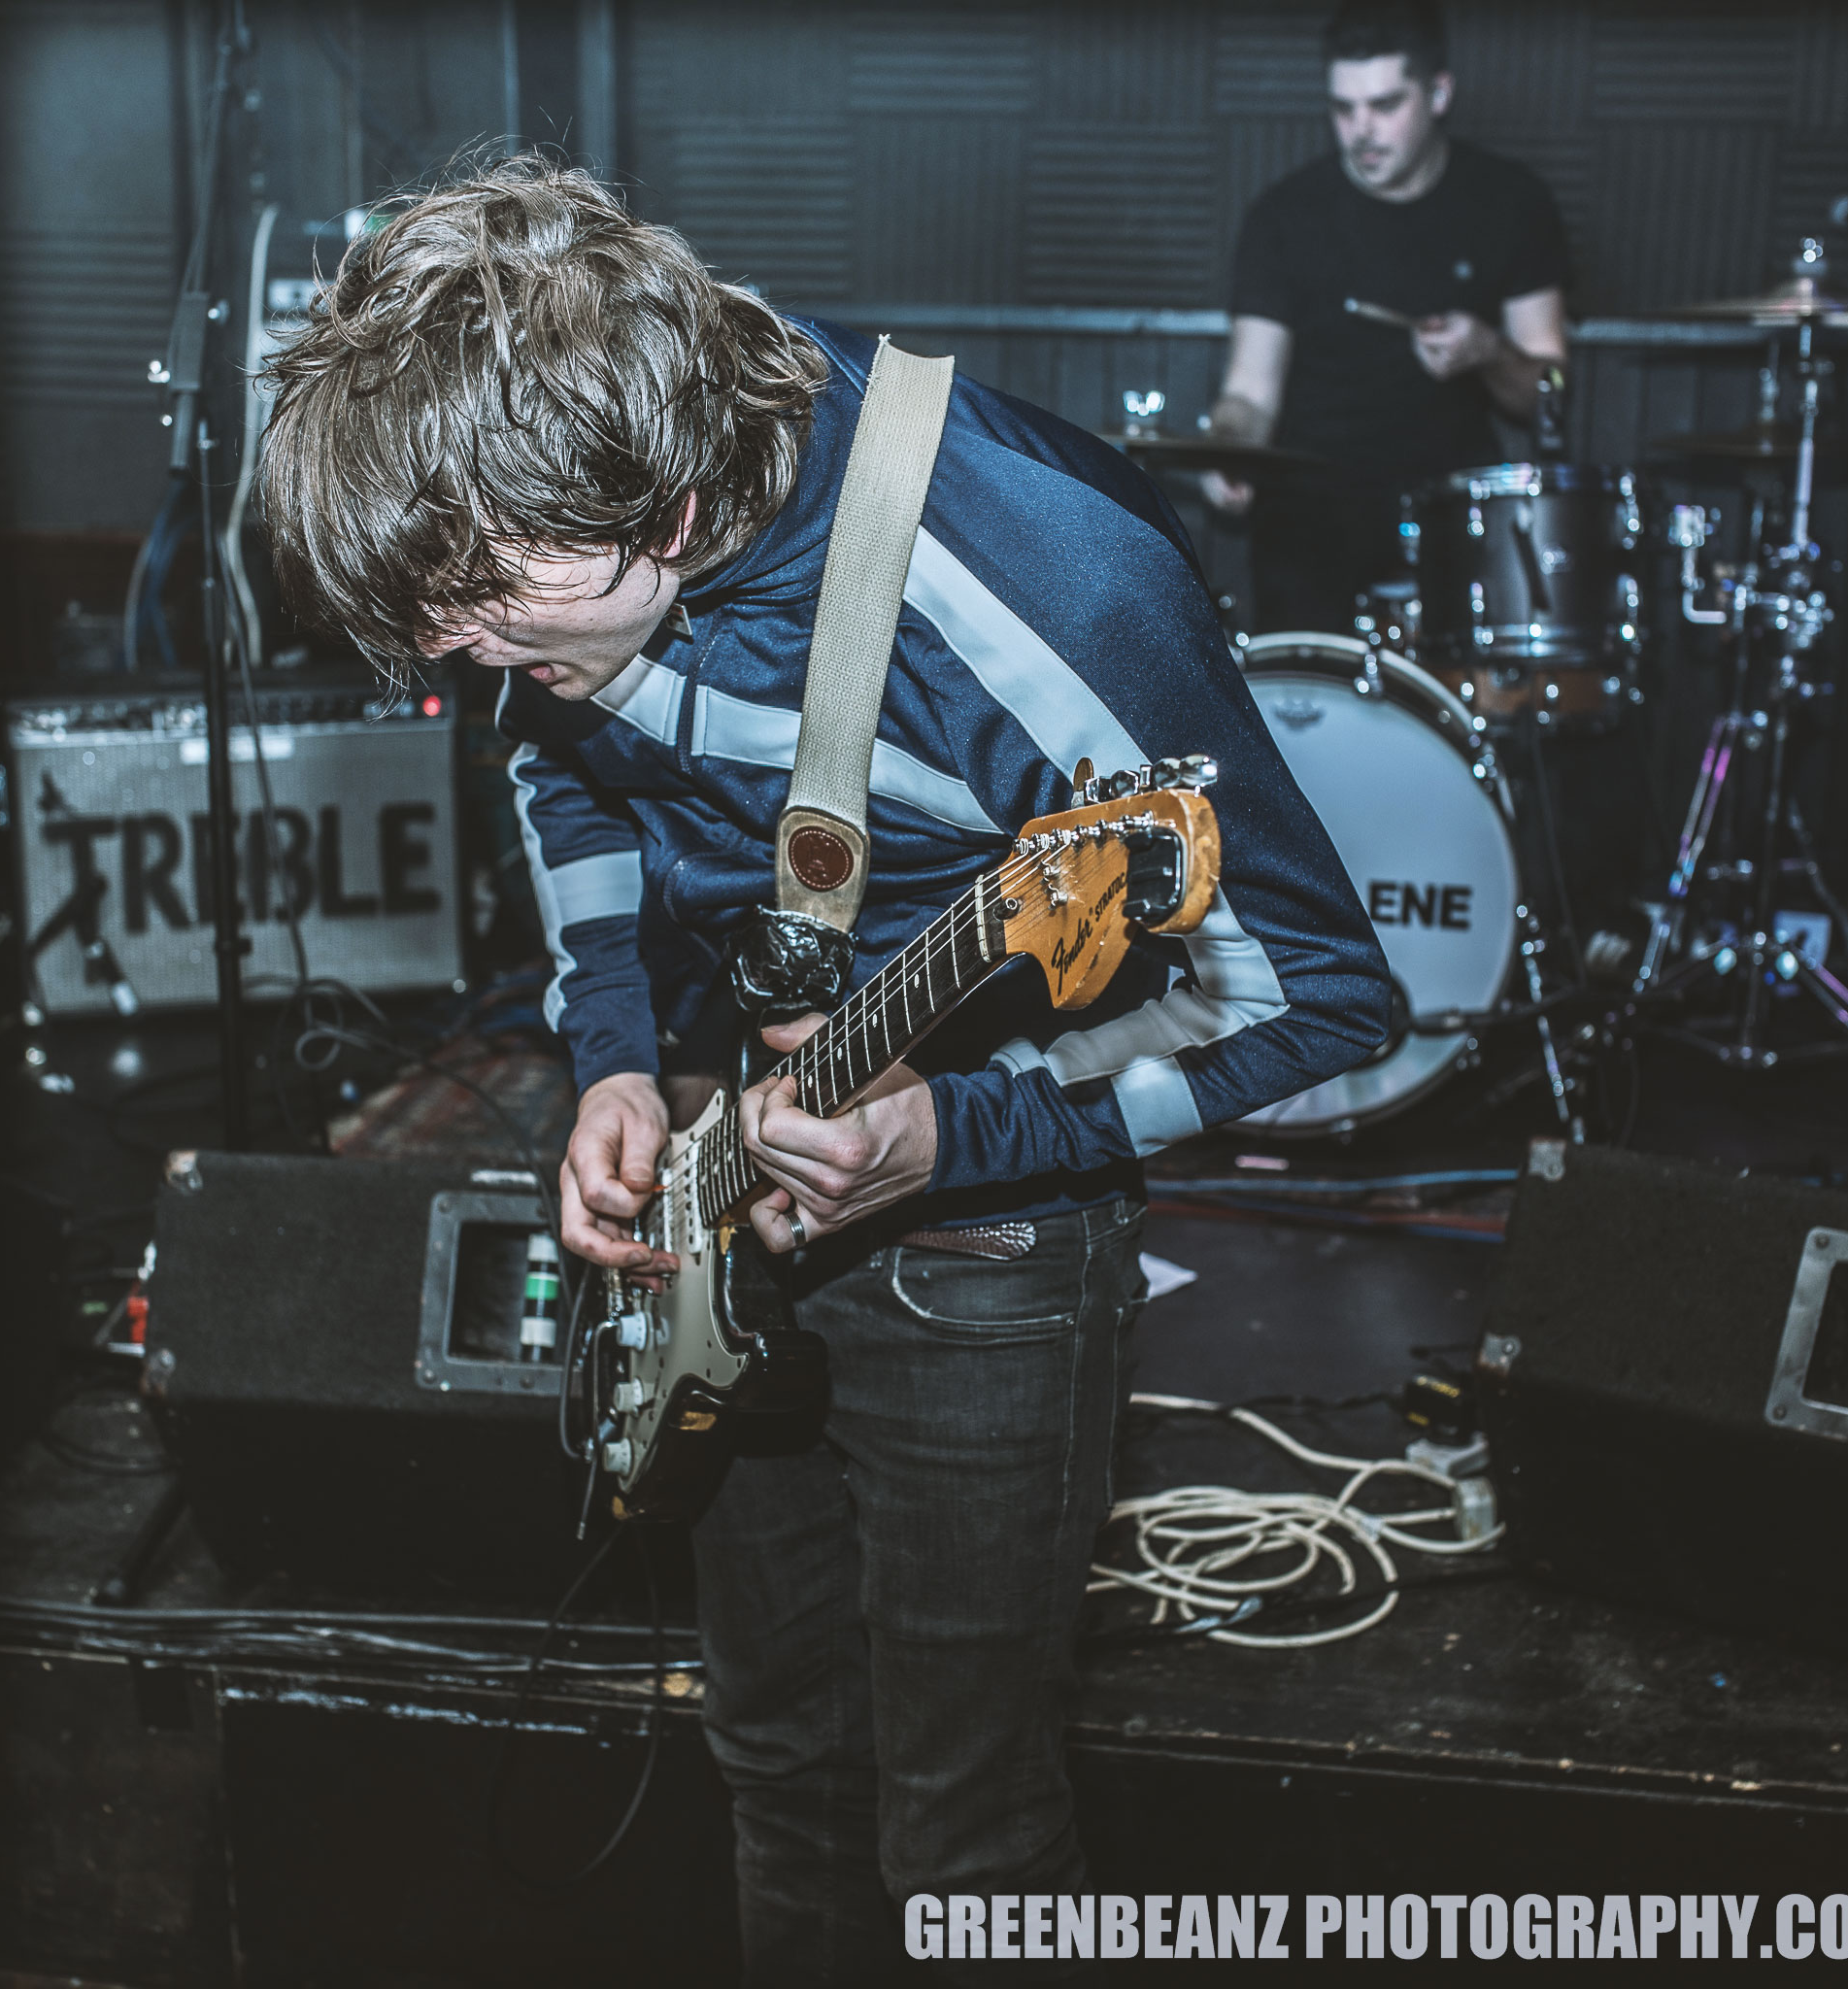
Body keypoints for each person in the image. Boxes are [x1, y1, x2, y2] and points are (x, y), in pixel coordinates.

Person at [258, 156, 1388, 1983]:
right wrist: (617, 1061)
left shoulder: (1041, 584)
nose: (455, 654)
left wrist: (958, 1126)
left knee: (968, 1829)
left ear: (675, 507)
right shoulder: (566, 498)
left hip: (992, 1244)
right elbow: (559, 752)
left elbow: (1316, 996)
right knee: (774, 1758)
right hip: (743, 1181)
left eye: (483, 606)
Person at [1207, 0, 1571, 635]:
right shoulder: (1284, 216)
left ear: (1438, 93)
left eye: (1384, 106)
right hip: (1307, 524)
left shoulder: (1512, 202)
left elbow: (1551, 394)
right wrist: (1229, 448)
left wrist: (1489, 351)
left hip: (1448, 523)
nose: (1361, 131)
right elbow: (1248, 390)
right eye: (1343, 109)